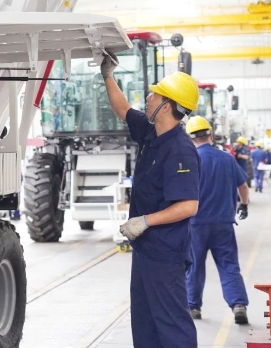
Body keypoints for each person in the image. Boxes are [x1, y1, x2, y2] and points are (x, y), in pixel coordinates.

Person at [102, 52, 200, 348]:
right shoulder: (151, 132)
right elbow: (123, 109)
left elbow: (188, 205)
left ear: (166, 106)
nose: (148, 98)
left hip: (165, 252)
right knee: (144, 322)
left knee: (172, 324)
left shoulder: (180, 150)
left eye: (154, 95)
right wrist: (108, 76)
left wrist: (145, 221)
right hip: (146, 249)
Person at [184, 116, 250, 325]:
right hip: (223, 223)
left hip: (195, 224)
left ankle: (193, 306)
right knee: (229, 265)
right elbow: (243, 186)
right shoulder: (227, 159)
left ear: (189, 138)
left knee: (194, 266)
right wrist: (244, 205)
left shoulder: (188, 160)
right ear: (210, 135)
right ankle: (238, 305)